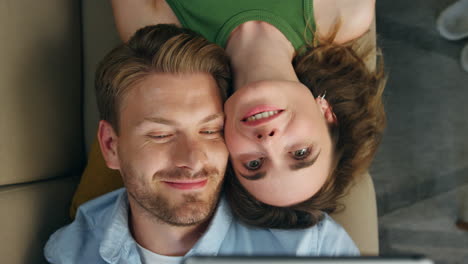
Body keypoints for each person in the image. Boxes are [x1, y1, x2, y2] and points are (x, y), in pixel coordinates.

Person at [44, 24, 358, 263]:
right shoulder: (70, 252)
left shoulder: (310, 250)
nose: (192, 160)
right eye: (161, 134)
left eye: (210, 131)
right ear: (111, 145)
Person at [108, 0, 386, 228]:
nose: (268, 140)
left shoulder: (153, 30)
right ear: (326, 113)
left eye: (254, 164)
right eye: (300, 153)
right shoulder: (346, 11)